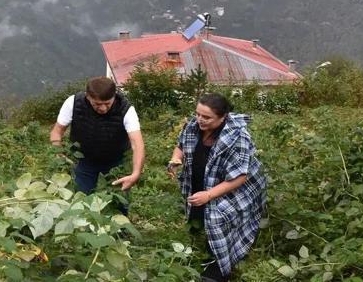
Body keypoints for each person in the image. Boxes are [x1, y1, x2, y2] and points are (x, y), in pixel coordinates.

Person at [167, 93, 267, 282]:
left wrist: (209, 195)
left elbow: (239, 177)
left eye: (206, 117)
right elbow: (181, 144)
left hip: (234, 188)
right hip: (204, 183)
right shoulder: (193, 126)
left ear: (223, 117)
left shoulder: (238, 137)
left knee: (218, 218)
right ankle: (202, 241)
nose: (199, 120)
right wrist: (176, 158)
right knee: (198, 211)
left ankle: (220, 267)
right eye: (197, 114)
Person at [49, 76, 145, 210]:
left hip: (116, 161)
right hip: (84, 160)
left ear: (114, 96)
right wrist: (58, 153)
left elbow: (137, 144)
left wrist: (135, 174)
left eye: (108, 103)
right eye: (97, 104)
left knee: (119, 201)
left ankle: (121, 229)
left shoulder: (126, 110)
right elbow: (57, 131)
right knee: (81, 200)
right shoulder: (73, 103)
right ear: (88, 97)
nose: (103, 108)